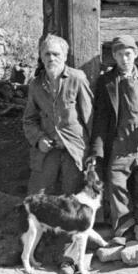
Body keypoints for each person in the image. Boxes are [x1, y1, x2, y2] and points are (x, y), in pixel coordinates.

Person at [89, 35, 138, 243]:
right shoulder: (106, 82)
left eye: (128, 54)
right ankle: (124, 228)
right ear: (114, 56)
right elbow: (101, 117)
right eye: (120, 54)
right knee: (115, 182)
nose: (124, 59)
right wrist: (97, 150)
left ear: (135, 54)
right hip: (120, 140)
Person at [22, 34, 94, 197]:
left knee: (74, 198)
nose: (51, 58)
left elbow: (90, 118)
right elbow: (29, 120)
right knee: (36, 197)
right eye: (47, 54)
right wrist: (39, 139)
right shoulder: (36, 85)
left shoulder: (77, 78)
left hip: (74, 148)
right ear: (41, 57)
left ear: (65, 56)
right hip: (48, 148)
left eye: (56, 54)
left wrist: (93, 152)